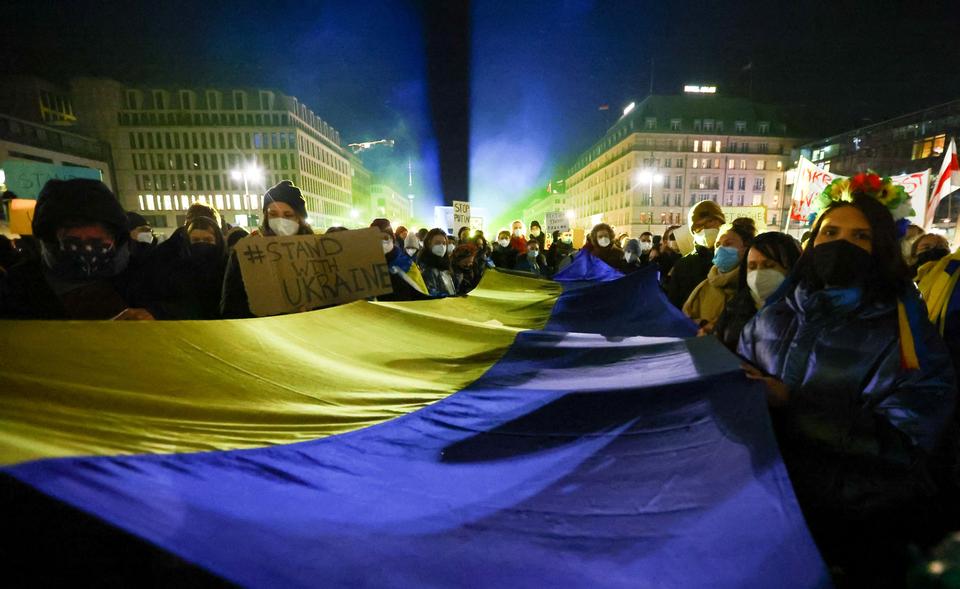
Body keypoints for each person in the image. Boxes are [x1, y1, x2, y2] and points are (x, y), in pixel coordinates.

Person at [739, 174, 958, 585]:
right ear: (812, 241)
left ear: (882, 250)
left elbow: (910, 439)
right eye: (830, 232)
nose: (841, 244)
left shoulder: (907, 334)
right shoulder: (772, 316)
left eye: (860, 237)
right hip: (769, 512)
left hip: (858, 527)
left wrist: (794, 405)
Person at [0, 179, 153, 320]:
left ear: (116, 237)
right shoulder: (18, 286)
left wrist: (155, 314)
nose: (87, 249)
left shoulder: (148, 276)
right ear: (51, 240)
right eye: (73, 241)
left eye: (97, 241)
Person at [221, 180, 314, 318]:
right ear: (266, 216)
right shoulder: (245, 252)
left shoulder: (316, 250)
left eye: (288, 215)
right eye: (273, 214)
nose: (281, 220)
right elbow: (231, 305)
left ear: (300, 219)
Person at [712, 232, 801, 352]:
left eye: (769, 265)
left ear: (791, 268)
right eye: (752, 267)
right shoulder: (736, 306)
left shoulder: (804, 312)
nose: (758, 274)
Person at [141, 215, 227, 319]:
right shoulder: (175, 269)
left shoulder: (227, 267)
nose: (201, 244)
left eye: (208, 240)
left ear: (218, 242)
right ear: (187, 242)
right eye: (195, 240)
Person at [683, 218, 756, 329]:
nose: (721, 249)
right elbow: (684, 319)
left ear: (746, 248)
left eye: (728, 244)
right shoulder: (704, 287)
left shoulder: (755, 286)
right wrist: (702, 325)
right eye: (717, 245)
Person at [667, 201, 725, 308]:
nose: (705, 228)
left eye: (710, 221)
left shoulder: (732, 258)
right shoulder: (683, 265)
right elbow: (674, 303)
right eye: (699, 226)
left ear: (721, 222)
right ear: (693, 231)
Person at [371, 218, 427, 301]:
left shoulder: (407, 265)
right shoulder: (366, 264)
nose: (381, 242)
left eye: (385, 238)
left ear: (392, 239)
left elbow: (423, 297)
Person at [417, 228, 457, 296]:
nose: (441, 246)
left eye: (444, 243)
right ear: (428, 244)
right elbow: (431, 294)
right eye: (437, 243)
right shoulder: (426, 268)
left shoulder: (445, 264)